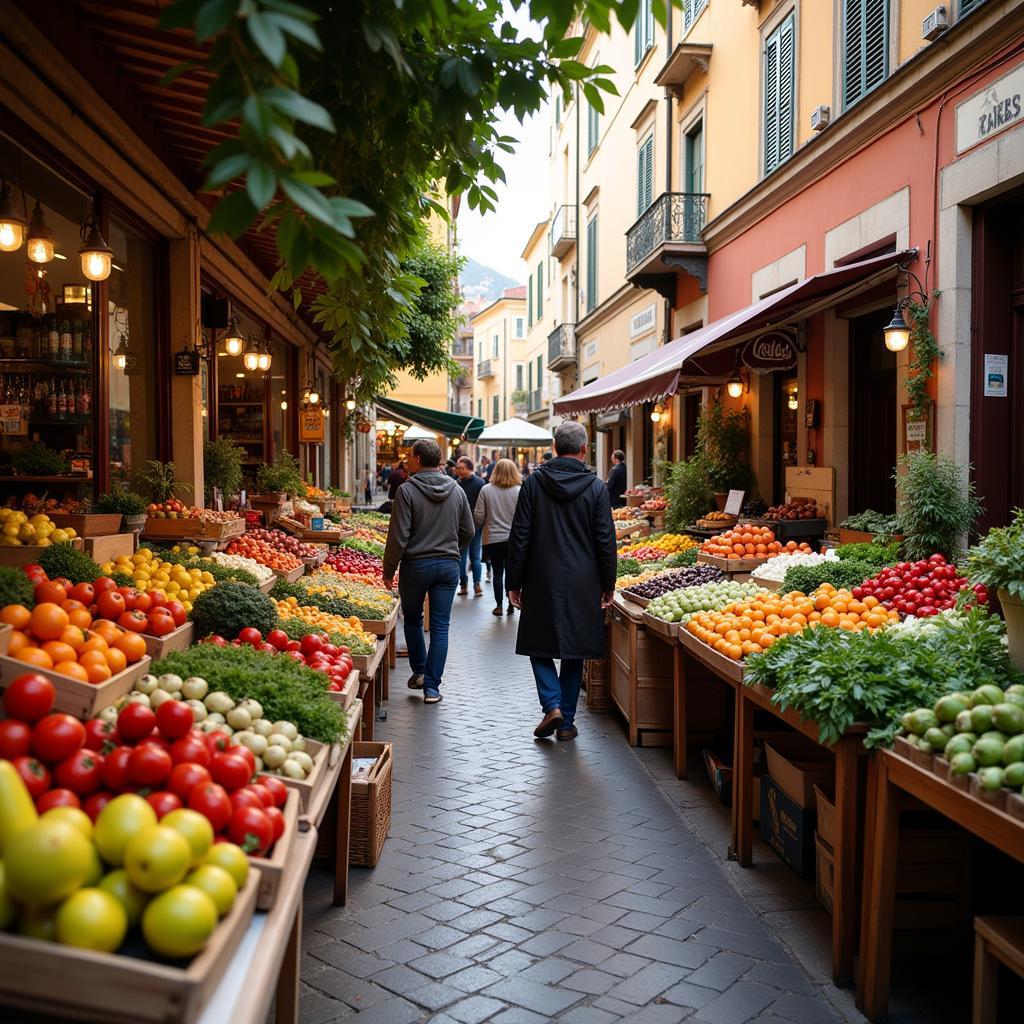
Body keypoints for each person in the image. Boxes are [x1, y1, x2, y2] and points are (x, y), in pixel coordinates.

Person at [506, 422, 616, 741]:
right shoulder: (596, 488)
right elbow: (605, 540)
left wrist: (514, 580)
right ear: (584, 450)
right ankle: (565, 721)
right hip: (584, 580)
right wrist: (608, 583)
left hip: (541, 576)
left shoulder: (534, 484)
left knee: (537, 644)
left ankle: (551, 705)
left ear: (555, 447)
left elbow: (520, 535)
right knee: (575, 649)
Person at [383, 438, 473, 704]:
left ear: (419, 459)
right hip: (448, 566)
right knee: (440, 626)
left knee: (411, 619)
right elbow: (468, 530)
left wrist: (389, 569)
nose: (407, 460)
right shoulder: (457, 491)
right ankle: (432, 688)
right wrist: (453, 548)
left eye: (410, 456)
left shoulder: (407, 491)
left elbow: (398, 537)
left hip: (416, 565)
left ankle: (420, 671)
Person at [474, 458, 522, 616]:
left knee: (497, 572)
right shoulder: (519, 490)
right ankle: (511, 603)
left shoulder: (486, 490)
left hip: (493, 538)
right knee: (511, 571)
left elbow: (479, 518)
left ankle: (499, 605)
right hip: (513, 539)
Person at [454, 456, 485, 596]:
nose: (458, 471)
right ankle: (465, 585)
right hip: (463, 525)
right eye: (457, 468)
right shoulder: (458, 483)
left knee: (472, 555)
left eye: (461, 468)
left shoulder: (479, 483)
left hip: (473, 524)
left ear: (469, 468)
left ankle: (476, 584)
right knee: (465, 555)